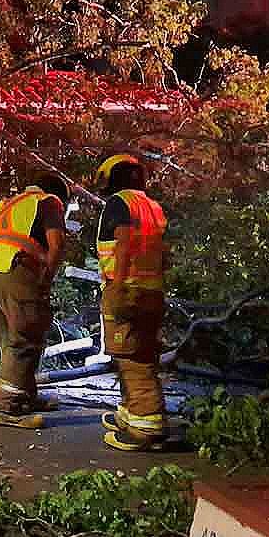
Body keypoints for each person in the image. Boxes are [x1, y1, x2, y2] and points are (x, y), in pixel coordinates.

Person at [0, 173, 69, 429]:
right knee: (26, 336)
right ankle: (7, 407)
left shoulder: (9, 204)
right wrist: (45, 279)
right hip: (14, 269)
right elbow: (56, 246)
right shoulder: (49, 201)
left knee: (9, 339)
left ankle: (23, 395)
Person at [94, 154, 169, 451]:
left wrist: (118, 286)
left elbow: (124, 243)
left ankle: (145, 423)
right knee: (142, 351)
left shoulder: (119, 203)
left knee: (129, 355)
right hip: (151, 290)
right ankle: (131, 409)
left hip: (128, 289)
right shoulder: (151, 206)